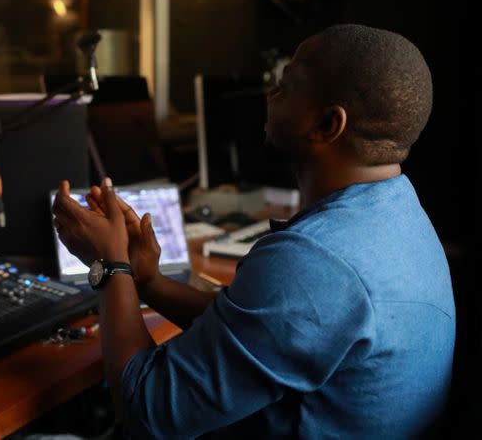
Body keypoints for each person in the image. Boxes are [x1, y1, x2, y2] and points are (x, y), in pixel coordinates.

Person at [52, 24, 455, 438]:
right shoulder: (398, 212)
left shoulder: (314, 260)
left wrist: (109, 266)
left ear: (328, 124)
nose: (270, 95)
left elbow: (144, 411)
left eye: (286, 84)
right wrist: (148, 281)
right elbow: (252, 328)